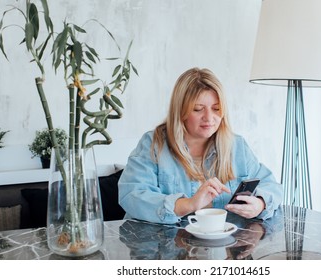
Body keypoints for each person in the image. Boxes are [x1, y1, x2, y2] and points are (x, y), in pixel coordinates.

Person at [118, 67, 283, 224]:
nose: (209, 118)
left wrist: (260, 204)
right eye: (198, 109)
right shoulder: (153, 144)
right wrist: (188, 204)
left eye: (216, 109)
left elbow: (271, 186)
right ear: (180, 111)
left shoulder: (237, 146)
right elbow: (132, 195)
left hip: (222, 244)